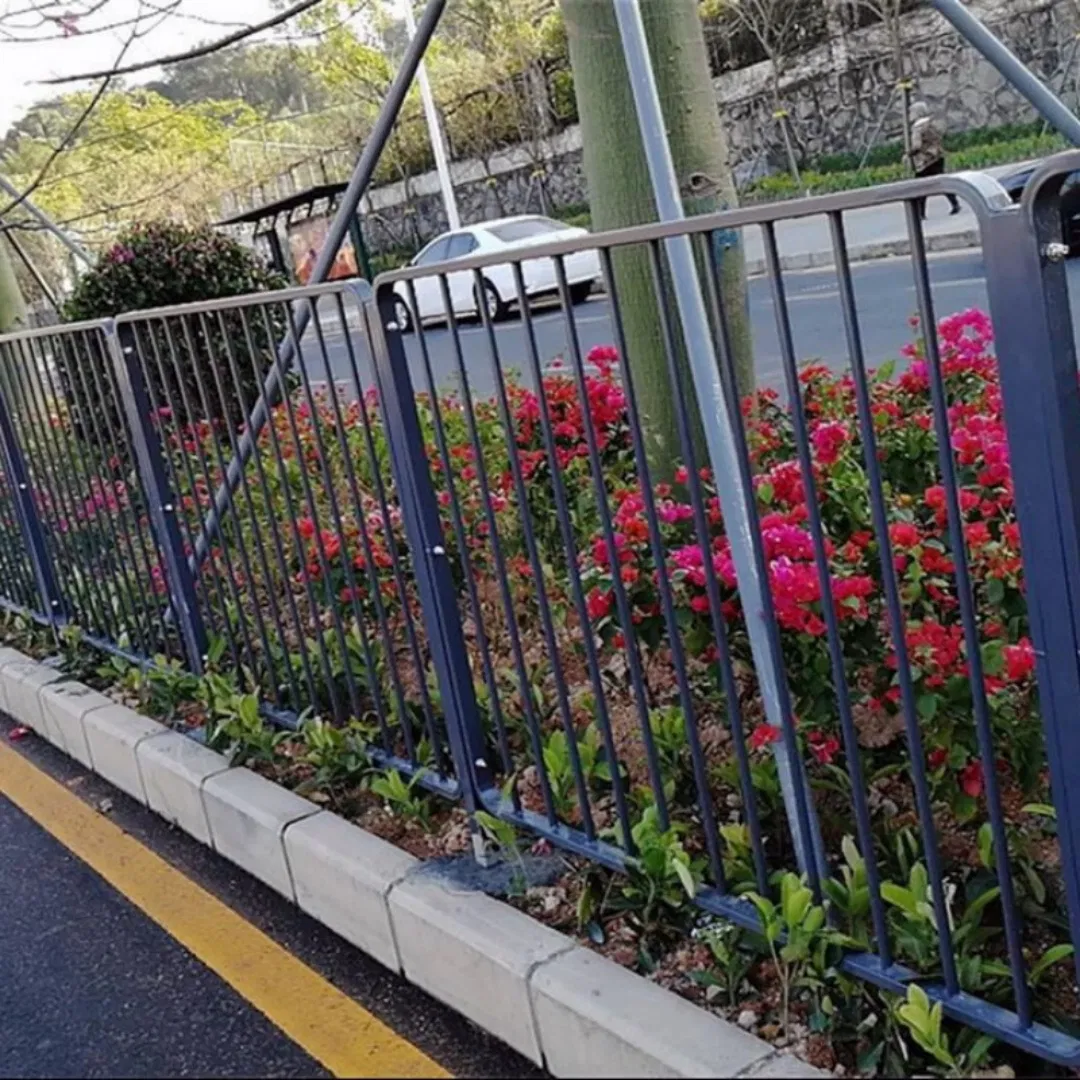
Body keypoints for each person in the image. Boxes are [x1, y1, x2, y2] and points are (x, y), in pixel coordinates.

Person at [907, 101, 961, 220]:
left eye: (911, 112)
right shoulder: (932, 123)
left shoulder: (917, 127)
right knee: (941, 182)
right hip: (937, 155)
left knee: (920, 187)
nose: (910, 114)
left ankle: (920, 213)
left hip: (925, 161)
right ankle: (954, 203)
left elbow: (917, 145)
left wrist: (909, 154)